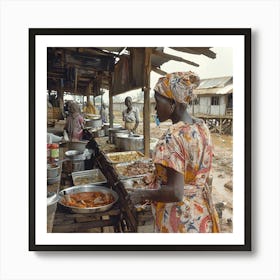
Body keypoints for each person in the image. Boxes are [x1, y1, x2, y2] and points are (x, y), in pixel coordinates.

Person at [129, 72, 220, 233]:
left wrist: (142, 193)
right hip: (200, 214)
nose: (155, 107)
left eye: (157, 102)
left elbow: (176, 192)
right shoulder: (202, 128)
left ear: (172, 103)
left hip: (180, 219)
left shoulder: (173, 136)